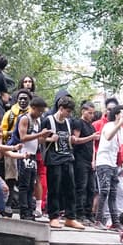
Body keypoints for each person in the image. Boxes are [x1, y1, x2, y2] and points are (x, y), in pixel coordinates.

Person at [42, 96, 84, 229]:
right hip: (53, 159)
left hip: (67, 157)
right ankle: (53, 216)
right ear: (61, 108)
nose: (69, 114)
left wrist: (71, 139)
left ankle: (70, 217)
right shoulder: (47, 121)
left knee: (71, 188)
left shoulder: (68, 122)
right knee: (54, 188)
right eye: (68, 111)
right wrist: (49, 139)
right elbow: (38, 139)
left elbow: (67, 139)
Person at [94, 106, 123, 228]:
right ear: (117, 115)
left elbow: (120, 148)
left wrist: (121, 164)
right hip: (103, 162)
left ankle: (115, 222)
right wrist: (118, 125)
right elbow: (108, 137)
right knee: (104, 191)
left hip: (114, 164)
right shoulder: (109, 125)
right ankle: (98, 220)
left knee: (113, 192)